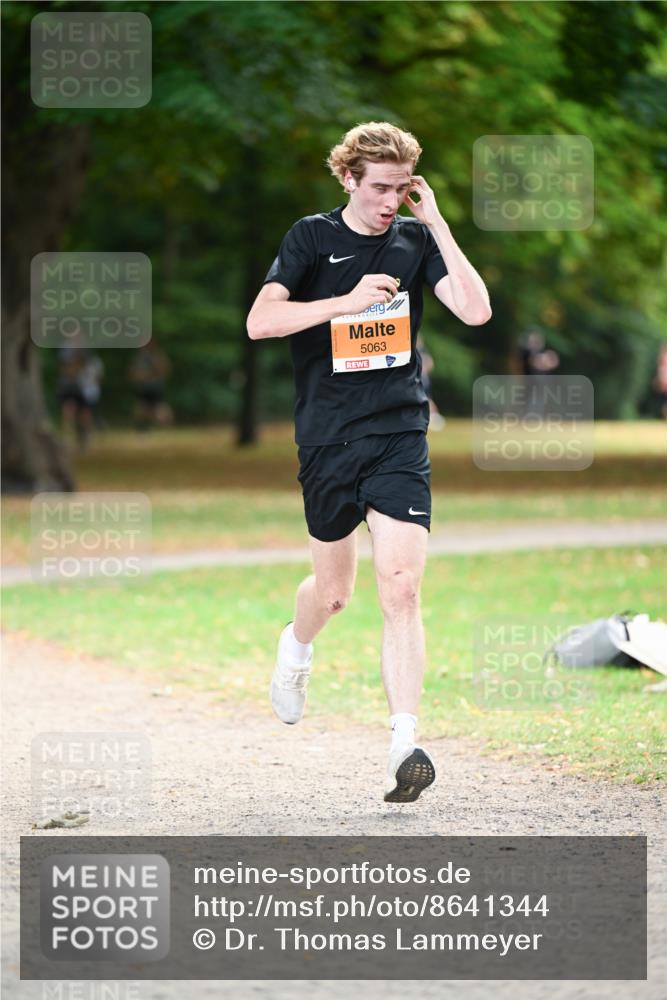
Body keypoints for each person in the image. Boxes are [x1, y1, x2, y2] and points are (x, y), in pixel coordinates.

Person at [247, 122, 491, 803]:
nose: (389, 201)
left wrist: (437, 224)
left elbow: (473, 311)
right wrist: (343, 303)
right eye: (377, 187)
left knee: (402, 585)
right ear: (347, 179)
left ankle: (402, 743)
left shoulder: (413, 240)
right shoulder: (310, 238)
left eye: (400, 188)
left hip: (398, 432)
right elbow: (259, 323)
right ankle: (295, 648)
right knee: (333, 593)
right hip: (327, 437)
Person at [128, 341, 173, 430]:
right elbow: (133, 373)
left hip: (156, 388)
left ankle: (165, 427)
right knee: (141, 409)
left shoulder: (158, 356)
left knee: (159, 409)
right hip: (143, 388)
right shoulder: (139, 358)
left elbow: (164, 370)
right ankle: (142, 428)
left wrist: (149, 373)